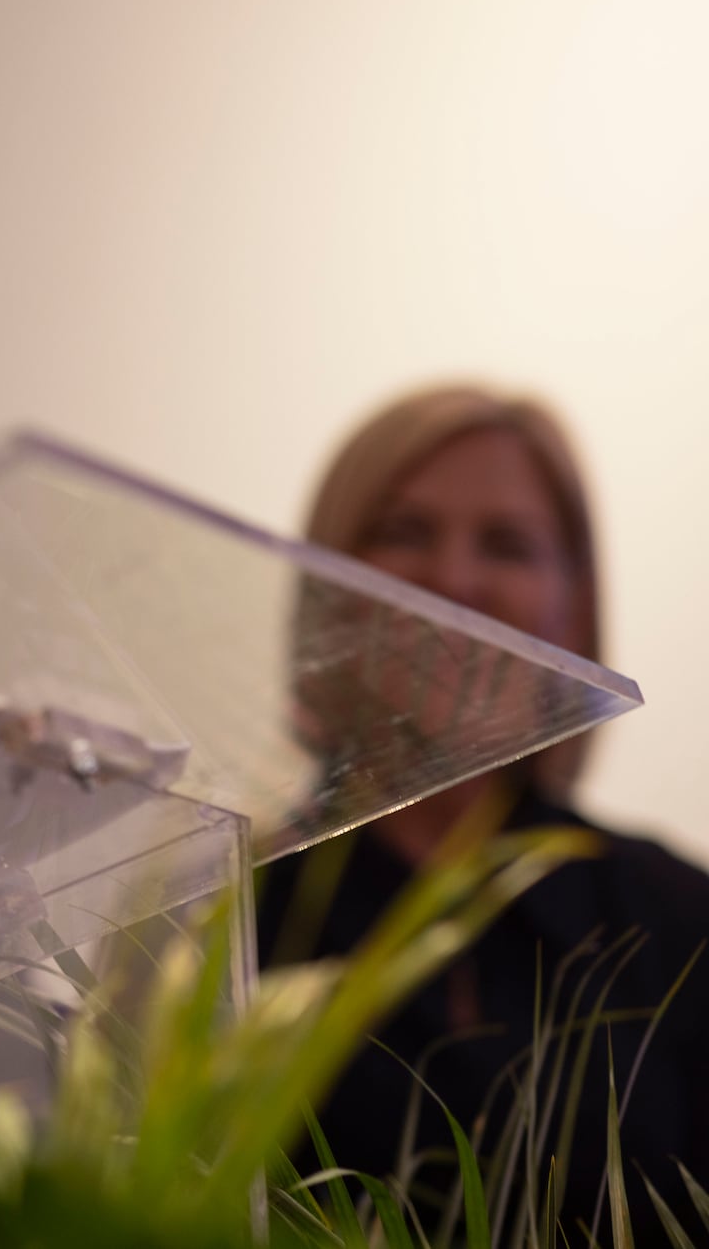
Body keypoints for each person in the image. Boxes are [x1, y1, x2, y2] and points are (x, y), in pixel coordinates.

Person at [261, 384, 709, 1237]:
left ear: (571, 609)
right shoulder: (216, 922)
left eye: (506, 544)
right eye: (402, 532)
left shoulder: (681, 922)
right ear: (323, 586)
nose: (454, 580)